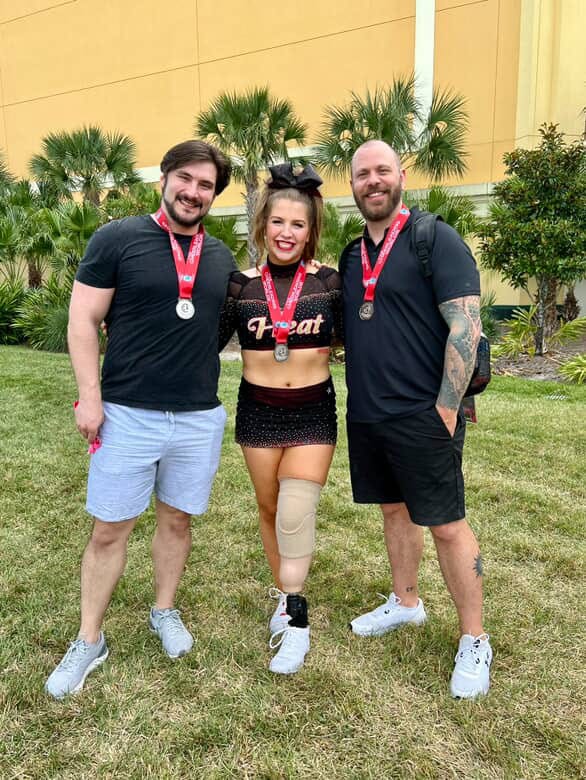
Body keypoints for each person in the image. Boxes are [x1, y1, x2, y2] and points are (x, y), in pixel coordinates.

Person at [45, 140, 236, 699]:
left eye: (206, 185)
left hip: (197, 417)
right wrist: (90, 396)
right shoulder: (117, 238)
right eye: (185, 179)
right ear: (165, 179)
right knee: (110, 528)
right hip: (126, 414)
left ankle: (164, 610)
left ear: (214, 195)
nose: (193, 192)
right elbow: (83, 320)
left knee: (177, 522)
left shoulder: (220, 257)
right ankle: (89, 638)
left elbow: (216, 329)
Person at [339, 139, 492, 699]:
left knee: (446, 524)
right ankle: (406, 602)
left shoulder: (434, 238)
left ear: (401, 176)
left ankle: (474, 638)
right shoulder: (352, 254)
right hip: (368, 414)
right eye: (362, 174)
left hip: (425, 413)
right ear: (352, 185)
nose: (373, 181)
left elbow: (466, 327)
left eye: (382, 170)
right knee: (394, 511)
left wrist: (447, 409)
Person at [219, 163, 342, 674]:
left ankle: (296, 621)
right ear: (262, 225)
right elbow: (200, 342)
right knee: (270, 510)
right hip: (258, 413)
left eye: (298, 224)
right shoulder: (240, 287)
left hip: (313, 412)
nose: (286, 233)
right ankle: (284, 595)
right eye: (277, 222)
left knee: (294, 510)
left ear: (311, 230)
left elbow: (371, 338)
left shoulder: (329, 283)